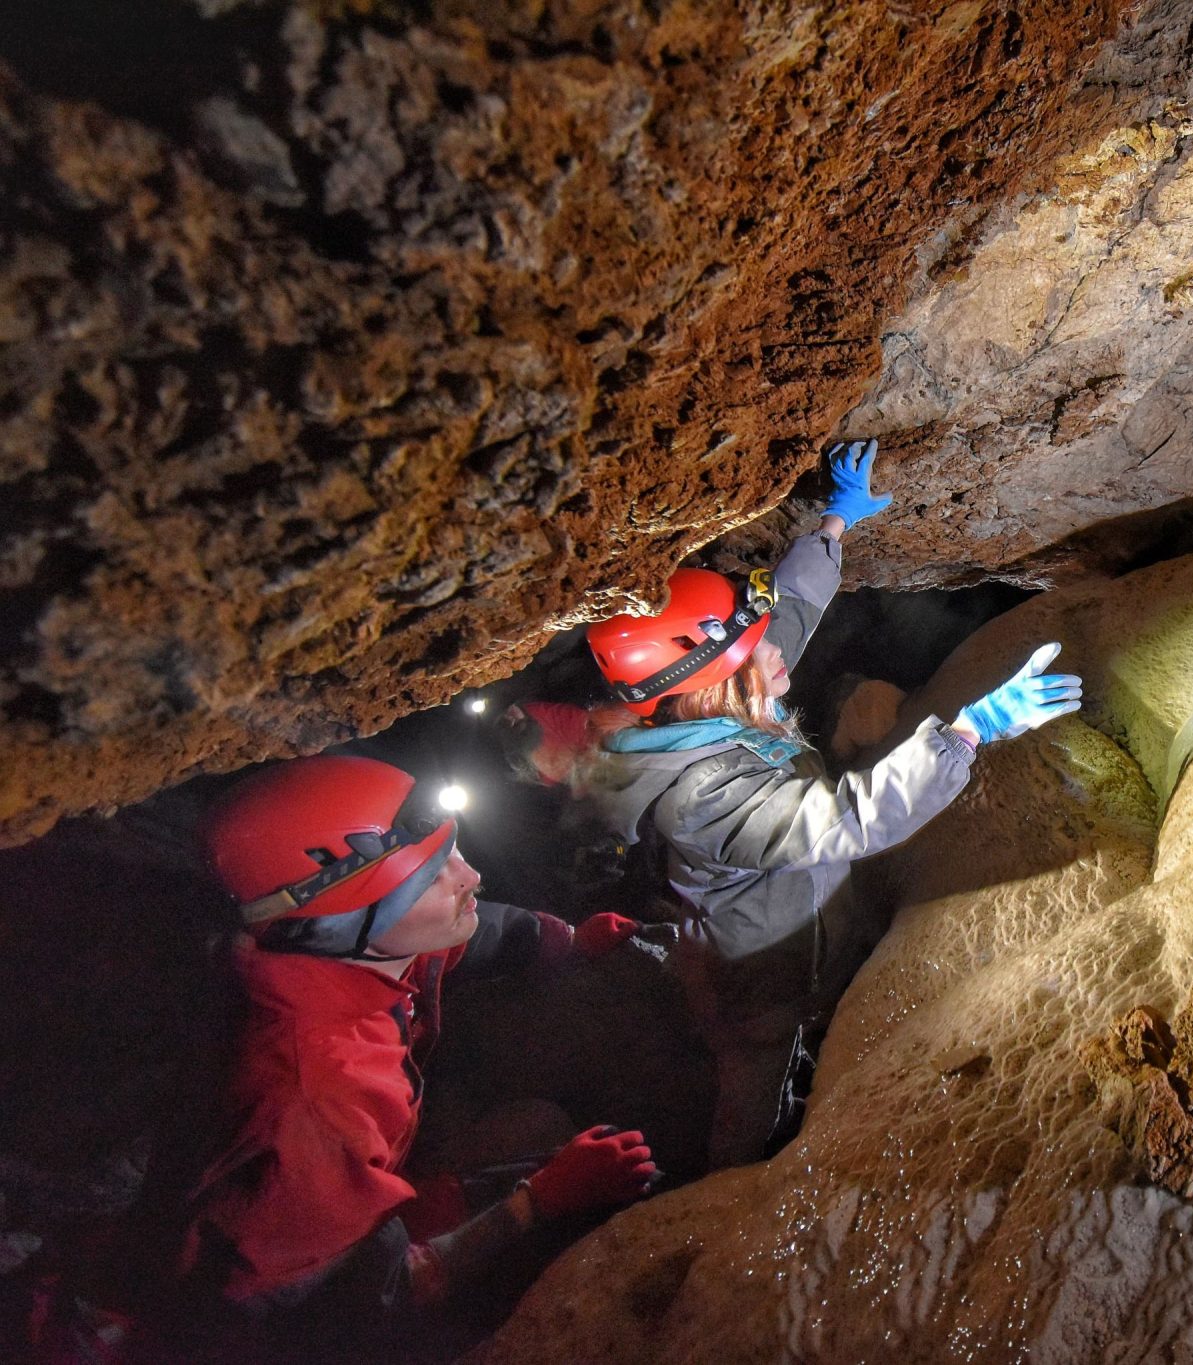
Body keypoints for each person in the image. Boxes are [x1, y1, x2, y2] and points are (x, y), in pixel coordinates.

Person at [580, 439, 1083, 1168]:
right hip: (761, 985)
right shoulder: (701, 794)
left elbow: (783, 618)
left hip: (795, 930)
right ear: (715, 683)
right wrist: (973, 728)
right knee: (757, 1097)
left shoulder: (703, 710)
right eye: (754, 648)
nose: (775, 648)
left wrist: (832, 528)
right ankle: (729, 1191)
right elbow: (846, 820)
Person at [180, 753, 658, 1329]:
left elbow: (464, 938)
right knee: (551, 1149)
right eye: (431, 876)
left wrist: (568, 939)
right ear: (337, 924)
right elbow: (370, 1295)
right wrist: (542, 1199)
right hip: (313, 1294)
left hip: (370, 1180)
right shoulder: (319, 1100)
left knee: (538, 1123)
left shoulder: (355, 948)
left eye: (451, 851)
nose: (471, 875)